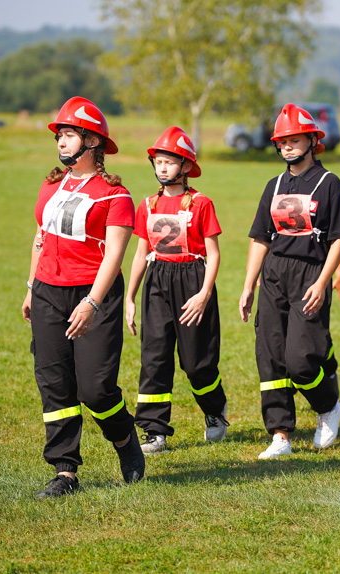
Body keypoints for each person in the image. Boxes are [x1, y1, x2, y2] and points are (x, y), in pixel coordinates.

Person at [22, 96, 144, 498]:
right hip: (47, 293)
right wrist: (30, 287)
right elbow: (41, 237)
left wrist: (91, 303)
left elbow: (114, 254)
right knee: (54, 383)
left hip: (95, 295)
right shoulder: (50, 184)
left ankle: (125, 438)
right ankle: (65, 471)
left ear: (92, 142)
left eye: (70, 133)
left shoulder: (116, 196)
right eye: (60, 133)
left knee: (94, 388)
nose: (61, 140)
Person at [239, 103, 340, 459]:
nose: (287, 146)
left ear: (312, 140)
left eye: (294, 139)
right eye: (282, 141)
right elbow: (260, 238)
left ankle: (328, 406)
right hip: (274, 274)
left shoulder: (329, 183)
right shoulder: (274, 185)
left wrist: (323, 281)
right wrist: (247, 284)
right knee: (270, 356)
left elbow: (338, 238)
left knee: (301, 359)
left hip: (309, 274)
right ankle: (281, 434)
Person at [125, 126, 228, 454]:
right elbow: (141, 253)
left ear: (186, 166)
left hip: (192, 281)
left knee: (197, 362)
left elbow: (213, 254)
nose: (163, 168)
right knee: (153, 358)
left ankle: (215, 411)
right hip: (158, 281)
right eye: (159, 161)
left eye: (170, 162)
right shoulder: (147, 204)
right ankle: (155, 432)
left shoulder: (201, 203)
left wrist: (204, 293)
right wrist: (130, 297)